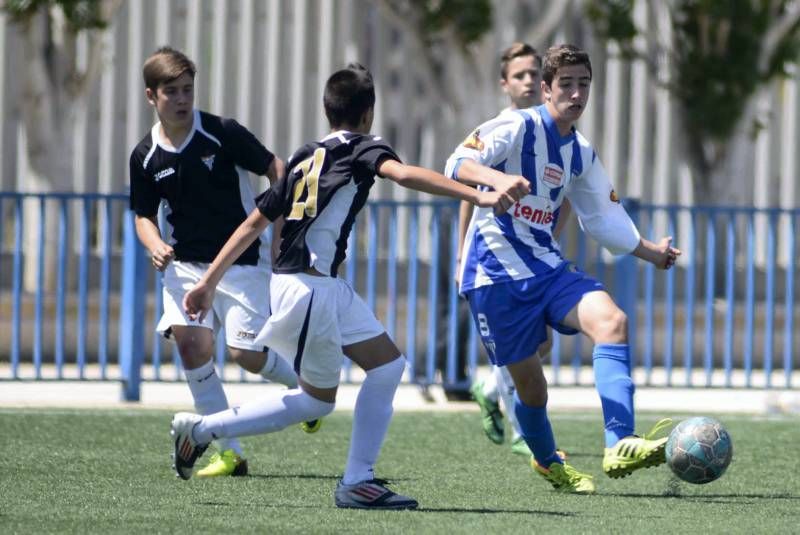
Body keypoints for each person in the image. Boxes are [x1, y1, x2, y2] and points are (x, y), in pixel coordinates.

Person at [173, 63, 529, 509]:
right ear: (368, 113)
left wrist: (209, 280)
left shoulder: (306, 154)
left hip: (318, 287)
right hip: (309, 288)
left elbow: (255, 221)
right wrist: (477, 194)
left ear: (328, 110)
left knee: (385, 368)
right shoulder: (365, 146)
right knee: (315, 402)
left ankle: (343, 474)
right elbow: (402, 174)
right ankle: (213, 433)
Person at [445, 44, 680, 494]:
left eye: (583, 84)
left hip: (546, 265)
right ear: (547, 89)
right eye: (566, 85)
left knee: (612, 321)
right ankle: (550, 462)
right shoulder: (516, 125)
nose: (576, 94)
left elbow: (605, 219)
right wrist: (497, 180)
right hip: (494, 275)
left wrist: (652, 252)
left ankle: (620, 442)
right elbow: (456, 163)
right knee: (533, 391)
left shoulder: (582, 152)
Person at [129, 46, 305, 479]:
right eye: (172, 92)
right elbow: (143, 216)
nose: (183, 99)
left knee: (245, 352)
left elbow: (276, 169)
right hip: (186, 265)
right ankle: (229, 452)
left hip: (243, 261)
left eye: (188, 89)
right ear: (152, 96)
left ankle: (303, 388)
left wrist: (277, 228)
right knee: (194, 347)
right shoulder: (145, 156)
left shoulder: (222, 132)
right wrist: (154, 244)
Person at [460, 43, 572, 457]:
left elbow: (567, 195)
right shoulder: (502, 128)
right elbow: (467, 191)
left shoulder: (557, 130)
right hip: (497, 258)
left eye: (533, 74)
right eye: (519, 75)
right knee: (525, 346)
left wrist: (548, 243)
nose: (528, 81)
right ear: (505, 84)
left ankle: (489, 387)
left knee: (542, 344)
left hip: (536, 258)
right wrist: (460, 255)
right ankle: (525, 435)